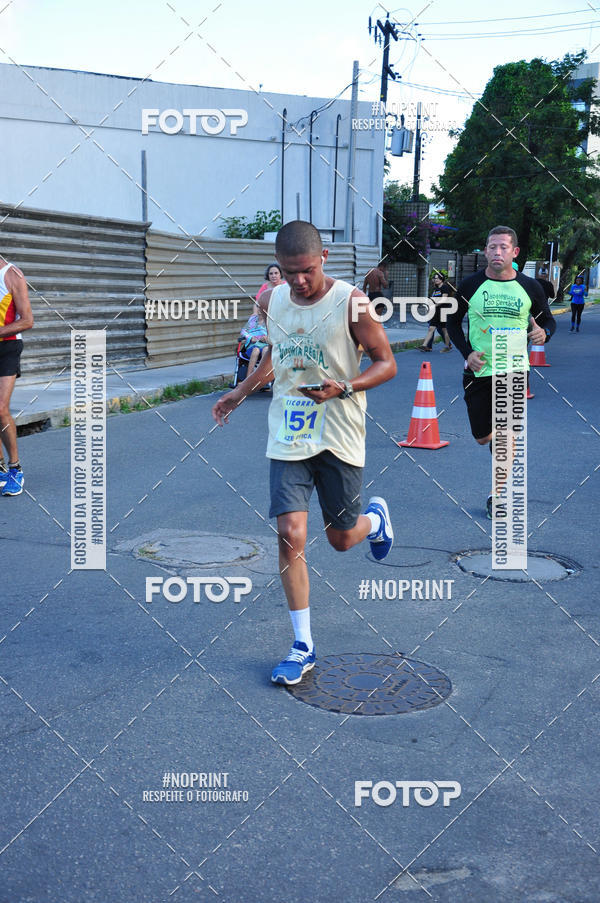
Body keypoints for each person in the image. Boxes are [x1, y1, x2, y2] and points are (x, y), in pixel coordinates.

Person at [212, 221, 397, 685]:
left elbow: (386, 362)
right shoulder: (273, 299)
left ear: (324, 259)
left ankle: (375, 521)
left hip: (339, 432)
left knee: (340, 538)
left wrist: (344, 387)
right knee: (290, 533)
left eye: (307, 271)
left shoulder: (351, 302)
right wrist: (241, 391)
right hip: (290, 433)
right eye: (290, 272)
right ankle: (303, 645)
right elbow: (278, 352)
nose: (298, 281)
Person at [446, 226, 555, 518]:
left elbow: (548, 323)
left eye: (504, 247)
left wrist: (543, 333)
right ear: (485, 251)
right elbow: (453, 323)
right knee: (483, 436)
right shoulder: (469, 285)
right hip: (478, 372)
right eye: (492, 247)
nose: (497, 252)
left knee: (506, 435)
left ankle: (498, 494)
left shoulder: (530, 287)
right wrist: (467, 353)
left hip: (515, 371)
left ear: (514, 252)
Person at [0, 258, 34, 497]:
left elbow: (27, 320)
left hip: (7, 348)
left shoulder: (12, 275)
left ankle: (15, 469)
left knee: (0, 408)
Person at [419, 272, 453, 353]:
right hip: (435, 311)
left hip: (443, 310)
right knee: (431, 328)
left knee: (444, 329)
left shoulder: (445, 287)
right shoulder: (435, 289)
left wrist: (435, 305)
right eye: (435, 278)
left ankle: (447, 346)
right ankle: (424, 346)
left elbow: (444, 299)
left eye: (438, 278)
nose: (436, 279)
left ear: (442, 279)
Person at [240, 302, 269, 374]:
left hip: (265, 346)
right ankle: (248, 378)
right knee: (256, 350)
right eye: (258, 308)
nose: (259, 311)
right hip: (253, 346)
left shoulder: (270, 321)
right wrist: (250, 337)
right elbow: (243, 331)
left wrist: (267, 338)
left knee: (266, 350)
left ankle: (261, 376)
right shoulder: (252, 319)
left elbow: (276, 335)